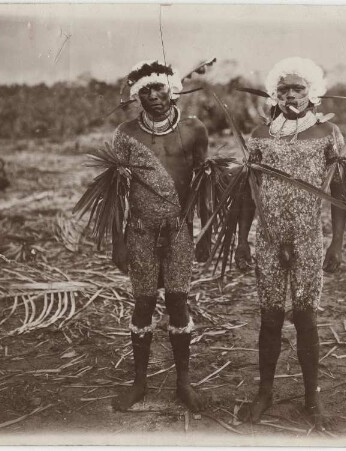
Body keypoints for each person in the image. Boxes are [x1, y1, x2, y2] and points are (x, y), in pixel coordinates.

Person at [235, 57, 346, 429]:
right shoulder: (260, 136)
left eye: (298, 88)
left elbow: (342, 191)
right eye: (283, 89)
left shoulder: (328, 135)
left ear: (312, 92)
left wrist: (336, 244)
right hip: (268, 241)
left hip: (308, 241)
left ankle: (312, 399)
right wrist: (242, 241)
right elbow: (248, 194)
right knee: (269, 318)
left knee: (305, 317)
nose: (290, 95)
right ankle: (264, 393)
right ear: (273, 94)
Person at [109, 60, 209, 413]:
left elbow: (203, 184)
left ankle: (183, 383)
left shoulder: (195, 130)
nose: (153, 96)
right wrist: (117, 241)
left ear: (172, 89)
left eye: (159, 88)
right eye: (145, 91)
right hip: (139, 230)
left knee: (178, 302)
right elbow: (115, 193)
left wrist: (206, 233)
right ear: (138, 96)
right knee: (144, 303)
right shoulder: (126, 134)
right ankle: (139, 383)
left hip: (179, 229)